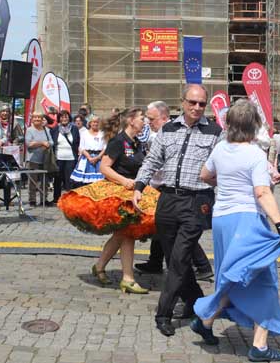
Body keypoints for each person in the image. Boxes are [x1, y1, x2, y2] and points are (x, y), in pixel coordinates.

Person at [192, 100, 280, 362]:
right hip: (247, 220)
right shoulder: (255, 155)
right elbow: (262, 192)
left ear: (229, 124)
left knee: (234, 275)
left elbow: (204, 175)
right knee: (263, 279)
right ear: (254, 125)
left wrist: (226, 182)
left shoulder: (220, 149)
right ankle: (259, 346)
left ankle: (206, 320)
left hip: (222, 219)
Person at [133, 84, 222, 337]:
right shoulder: (168, 129)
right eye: (192, 102)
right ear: (182, 102)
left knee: (180, 259)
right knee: (173, 257)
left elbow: (222, 166)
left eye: (202, 103)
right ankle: (196, 302)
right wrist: (139, 186)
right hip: (168, 199)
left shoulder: (216, 132)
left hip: (196, 201)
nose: (197, 107)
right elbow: (152, 160)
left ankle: (163, 314)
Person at [134, 101, 213, 280]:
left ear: (163, 118)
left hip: (180, 191)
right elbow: (152, 162)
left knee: (181, 233)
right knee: (163, 229)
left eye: (152, 119)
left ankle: (200, 266)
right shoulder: (161, 133)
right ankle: (156, 262)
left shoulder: (168, 133)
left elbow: (166, 165)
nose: (149, 123)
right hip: (162, 191)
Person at [91, 108, 150, 294]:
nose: (145, 122)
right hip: (118, 194)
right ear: (131, 120)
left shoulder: (137, 143)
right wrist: (124, 181)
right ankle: (128, 278)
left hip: (133, 193)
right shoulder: (118, 141)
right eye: (142, 118)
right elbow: (104, 167)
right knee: (127, 234)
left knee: (121, 235)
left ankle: (99, 266)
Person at [50, 110, 80, 202]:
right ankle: (56, 198)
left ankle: (70, 198)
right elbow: (52, 143)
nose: (64, 119)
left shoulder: (74, 129)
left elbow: (77, 142)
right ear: (59, 119)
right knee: (58, 179)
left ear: (69, 118)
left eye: (66, 117)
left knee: (70, 179)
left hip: (71, 157)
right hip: (58, 157)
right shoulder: (55, 129)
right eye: (62, 117)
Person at [25, 112, 53, 207]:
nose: (37, 119)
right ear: (32, 119)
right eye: (35, 117)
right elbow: (29, 144)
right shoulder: (29, 130)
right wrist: (42, 143)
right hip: (32, 160)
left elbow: (51, 142)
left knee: (44, 181)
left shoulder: (46, 130)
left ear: (42, 119)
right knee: (32, 181)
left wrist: (47, 144)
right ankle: (32, 200)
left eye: (39, 117)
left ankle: (43, 199)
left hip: (45, 159)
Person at [70, 115, 106, 186]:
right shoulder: (84, 133)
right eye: (94, 122)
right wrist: (89, 158)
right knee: (86, 183)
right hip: (86, 158)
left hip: (99, 159)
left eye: (97, 122)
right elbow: (82, 147)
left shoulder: (102, 134)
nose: (95, 124)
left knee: (99, 182)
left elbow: (105, 147)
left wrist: (98, 157)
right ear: (90, 123)